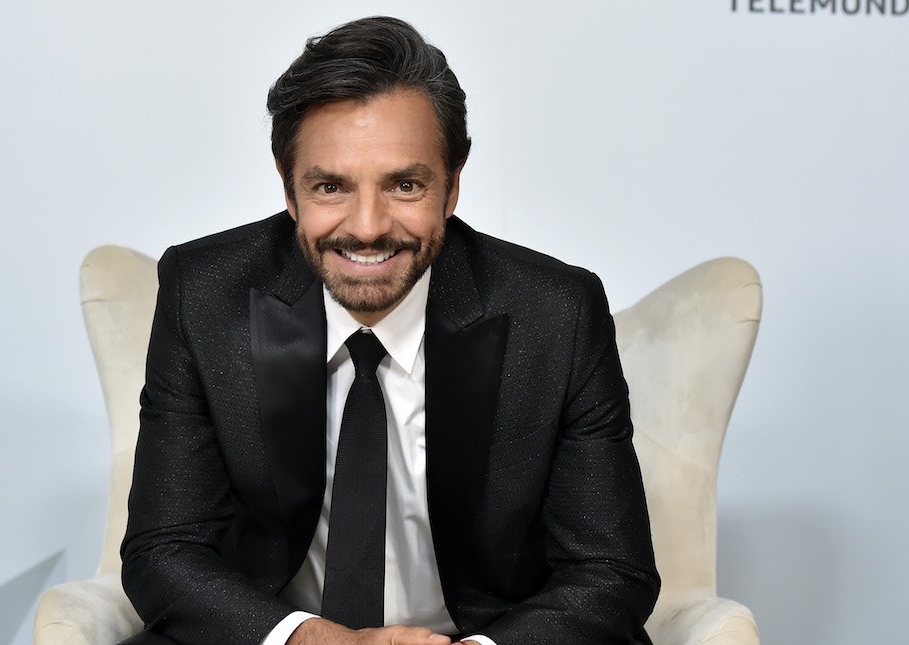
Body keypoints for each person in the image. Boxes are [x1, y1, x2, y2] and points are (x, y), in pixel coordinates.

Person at [120, 16, 659, 645]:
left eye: (405, 184)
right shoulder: (204, 292)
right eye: (330, 187)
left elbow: (610, 569)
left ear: (453, 185)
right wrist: (317, 642)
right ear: (289, 190)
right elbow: (165, 550)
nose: (369, 227)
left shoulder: (557, 312)